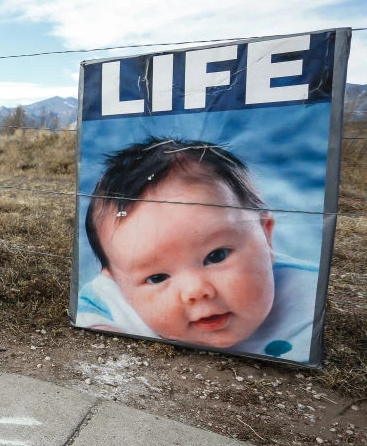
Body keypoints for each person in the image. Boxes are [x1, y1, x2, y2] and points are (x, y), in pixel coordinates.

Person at [76, 136, 318, 362]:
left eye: (216, 256)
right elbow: (92, 310)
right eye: (157, 277)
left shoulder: (307, 292)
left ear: (266, 236)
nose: (196, 290)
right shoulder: (113, 296)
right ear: (118, 284)